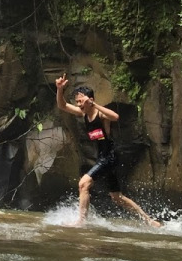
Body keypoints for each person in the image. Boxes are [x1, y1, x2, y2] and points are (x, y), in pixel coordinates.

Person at [55, 74, 161, 226]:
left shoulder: (100, 114)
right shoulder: (83, 113)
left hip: (109, 157)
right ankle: (149, 220)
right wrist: (59, 89)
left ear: (90, 99)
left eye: (81, 101)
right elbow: (63, 106)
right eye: (77, 101)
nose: (78, 104)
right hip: (102, 157)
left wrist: (94, 105)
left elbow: (116, 117)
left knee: (83, 184)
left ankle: (81, 222)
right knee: (116, 197)